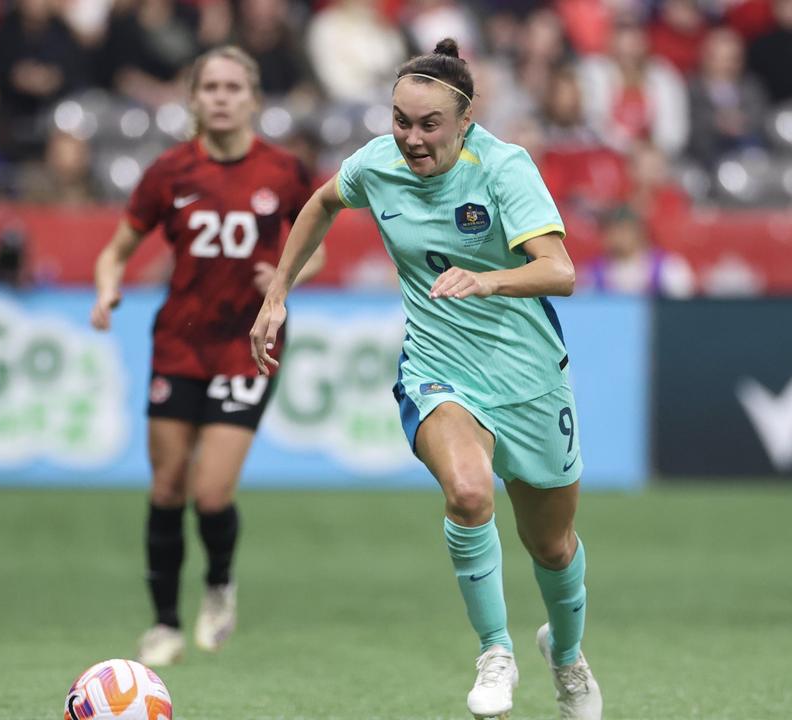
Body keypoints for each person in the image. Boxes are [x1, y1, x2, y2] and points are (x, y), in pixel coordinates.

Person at [250, 39, 603, 720]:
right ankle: (494, 650)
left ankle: (566, 656)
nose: (411, 138)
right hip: (439, 371)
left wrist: (490, 279)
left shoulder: (503, 167)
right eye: (400, 121)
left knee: (552, 546)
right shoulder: (374, 165)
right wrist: (278, 294)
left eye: (428, 124)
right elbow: (322, 202)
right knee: (469, 494)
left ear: (464, 122)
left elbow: (560, 270)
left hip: (529, 377)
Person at [90, 46, 326, 667]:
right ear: (193, 99)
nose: (221, 97)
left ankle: (218, 586)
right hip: (179, 341)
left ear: (253, 98)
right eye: (210, 87)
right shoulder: (169, 172)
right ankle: (164, 622)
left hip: (250, 341)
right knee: (167, 487)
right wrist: (108, 286)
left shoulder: (284, 171)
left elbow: (319, 249)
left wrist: (284, 276)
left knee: (212, 494)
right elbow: (116, 250)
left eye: (232, 87)